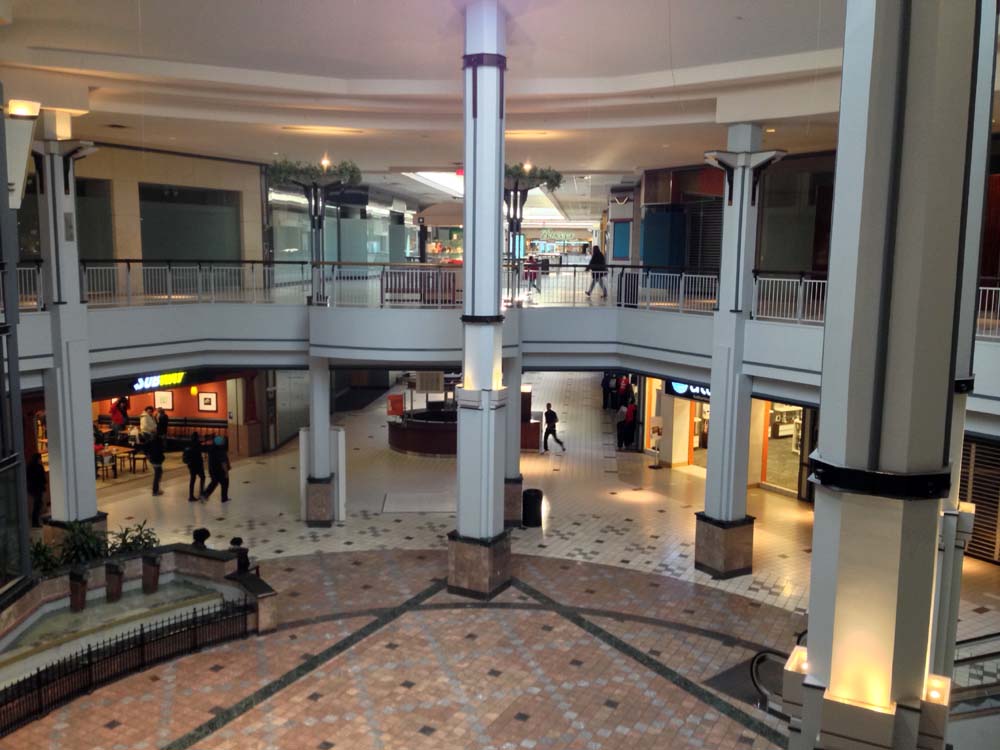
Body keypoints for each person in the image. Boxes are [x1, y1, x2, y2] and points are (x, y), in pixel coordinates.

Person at [203, 435, 232, 503]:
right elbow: (223, 462)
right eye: (222, 441)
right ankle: (224, 498)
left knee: (214, 482)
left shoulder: (212, 449)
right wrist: (226, 472)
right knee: (225, 483)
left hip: (213, 470)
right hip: (220, 470)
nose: (224, 441)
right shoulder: (220, 450)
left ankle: (205, 495)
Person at [183, 432, 206, 502]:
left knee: (192, 479)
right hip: (198, 465)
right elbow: (201, 451)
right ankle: (201, 493)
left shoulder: (188, 445)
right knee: (202, 477)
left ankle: (191, 496)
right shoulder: (198, 444)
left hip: (191, 466)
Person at [26, 453, 47, 528]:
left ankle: (35, 521)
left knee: (37, 504)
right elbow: (42, 477)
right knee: (37, 504)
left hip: (34, 488)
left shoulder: (31, 466)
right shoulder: (37, 467)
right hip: (36, 488)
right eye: (39, 458)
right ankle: (35, 522)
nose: (40, 460)